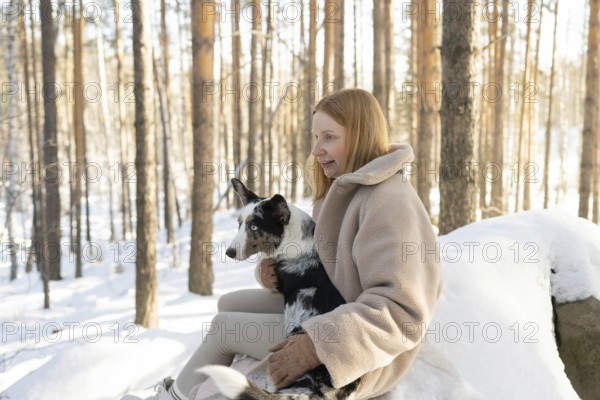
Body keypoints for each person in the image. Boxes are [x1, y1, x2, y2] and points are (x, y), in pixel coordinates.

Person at [122, 88, 442, 400]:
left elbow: (403, 314)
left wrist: (317, 343)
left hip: (356, 354)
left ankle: (173, 396)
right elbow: (324, 267)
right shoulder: (343, 190)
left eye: (329, 137)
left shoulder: (390, 203)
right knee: (229, 305)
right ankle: (230, 379)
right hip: (331, 308)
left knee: (224, 328)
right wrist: (271, 273)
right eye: (315, 137)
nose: (316, 149)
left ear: (360, 135)